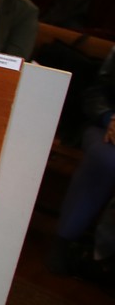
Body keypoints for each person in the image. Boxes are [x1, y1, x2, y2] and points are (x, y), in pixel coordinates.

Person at [48, 46, 115, 279]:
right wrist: (109, 118)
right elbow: (96, 93)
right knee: (106, 159)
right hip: (105, 127)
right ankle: (65, 239)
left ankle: (104, 257)